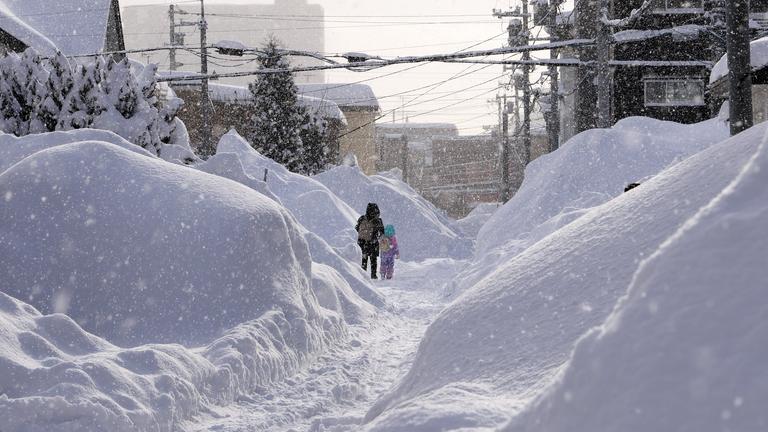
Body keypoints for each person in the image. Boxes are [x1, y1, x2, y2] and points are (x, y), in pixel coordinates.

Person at [355, 203, 385, 279]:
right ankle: (373, 275)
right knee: (373, 260)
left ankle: (362, 275)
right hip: (373, 243)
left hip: (362, 243)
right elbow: (382, 233)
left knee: (364, 260)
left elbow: (356, 229)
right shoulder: (378, 220)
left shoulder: (362, 218)